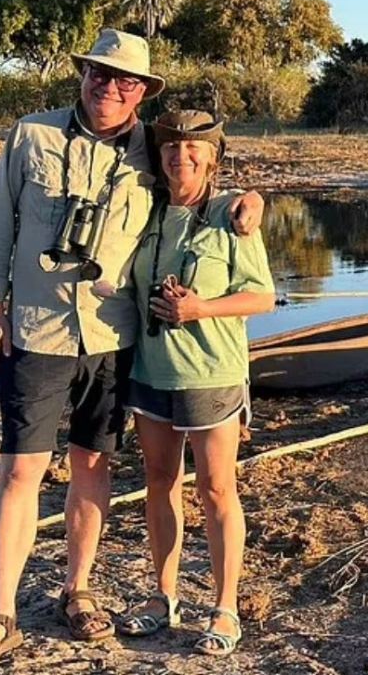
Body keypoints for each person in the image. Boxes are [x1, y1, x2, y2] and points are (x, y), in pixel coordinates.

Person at [0, 31, 263, 667]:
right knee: (19, 470)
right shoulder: (31, 135)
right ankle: (1, 613)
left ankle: (78, 590)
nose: (110, 88)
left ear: (143, 91)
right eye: (100, 74)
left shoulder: (152, 147)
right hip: (36, 326)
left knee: (92, 466)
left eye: (127, 81)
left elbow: (203, 177)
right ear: (83, 75)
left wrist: (254, 201)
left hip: (115, 336)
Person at [118, 110, 275, 657]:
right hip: (150, 372)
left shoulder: (231, 217)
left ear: (212, 158)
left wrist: (201, 308)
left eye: (193, 150)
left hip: (212, 375)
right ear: (159, 157)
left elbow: (262, 298)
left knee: (215, 490)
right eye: (171, 149)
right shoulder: (145, 212)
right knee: (159, 482)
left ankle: (225, 607)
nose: (180, 157)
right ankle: (163, 598)